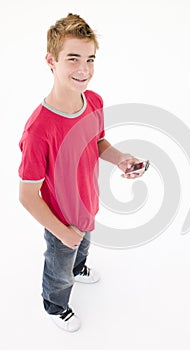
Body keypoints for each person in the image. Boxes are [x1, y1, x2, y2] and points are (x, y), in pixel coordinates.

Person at [18, 13, 145, 333]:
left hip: (88, 203)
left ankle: (79, 266)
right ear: (51, 60)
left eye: (90, 58)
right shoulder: (39, 130)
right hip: (60, 218)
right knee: (59, 265)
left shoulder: (94, 101)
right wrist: (62, 232)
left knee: (82, 244)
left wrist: (120, 159)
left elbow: (99, 142)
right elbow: (27, 196)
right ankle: (55, 304)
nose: (83, 69)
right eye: (72, 58)